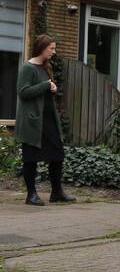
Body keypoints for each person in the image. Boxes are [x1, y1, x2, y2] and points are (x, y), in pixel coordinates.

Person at [15, 34, 74, 206]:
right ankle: (31, 195)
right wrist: (46, 85)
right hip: (32, 121)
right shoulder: (28, 68)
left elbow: (43, 91)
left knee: (57, 154)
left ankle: (56, 192)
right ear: (41, 47)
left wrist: (51, 88)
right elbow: (23, 92)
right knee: (30, 158)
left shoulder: (45, 67)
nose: (54, 52)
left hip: (48, 120)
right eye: (51, 48)